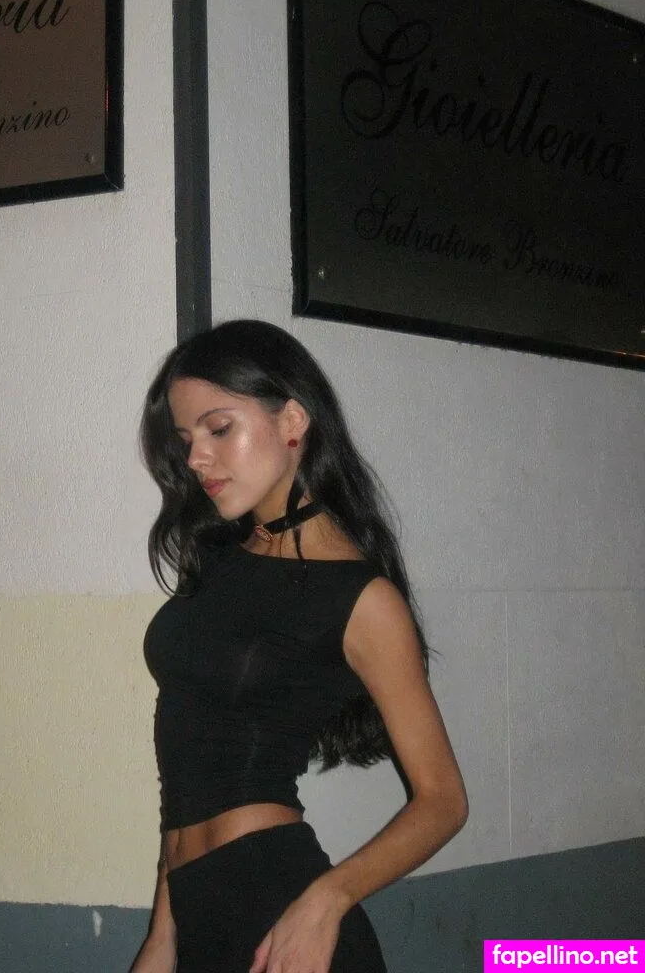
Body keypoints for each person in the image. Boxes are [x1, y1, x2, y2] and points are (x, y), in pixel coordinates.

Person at [131, 320, 468, 973]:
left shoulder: (360, 598)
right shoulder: (220, 561)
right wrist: (163, 936)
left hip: (280, 917)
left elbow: (444, 801)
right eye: (187, 439)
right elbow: (193, 761)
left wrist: (326, 900)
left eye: (218, 428)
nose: (196, 458)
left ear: (292, 420)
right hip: (197, 916)